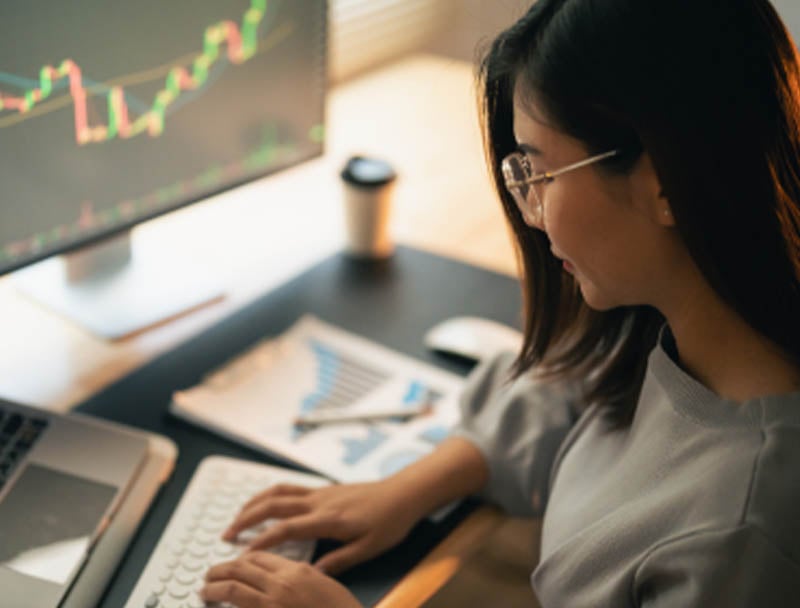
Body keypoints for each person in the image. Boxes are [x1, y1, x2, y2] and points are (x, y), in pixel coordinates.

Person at [200, 0, 800, 605]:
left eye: (540, 173)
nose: (531, 213)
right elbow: (581, 379)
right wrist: (411, 488)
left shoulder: (741, 537)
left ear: (663, 183)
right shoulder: (674, 323)